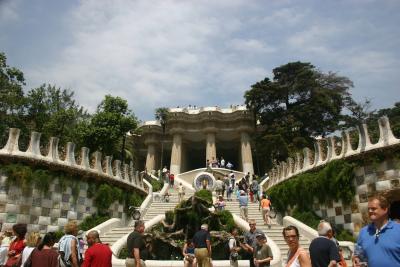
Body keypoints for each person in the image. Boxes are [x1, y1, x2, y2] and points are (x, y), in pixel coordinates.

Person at [353, 194, 400, 267]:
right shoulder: (363, 232)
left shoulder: (398, 229)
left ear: (385, 209)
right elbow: (358, 254)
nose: (370, 211)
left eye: (373, 208)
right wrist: (356, 259)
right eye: (368, 209)